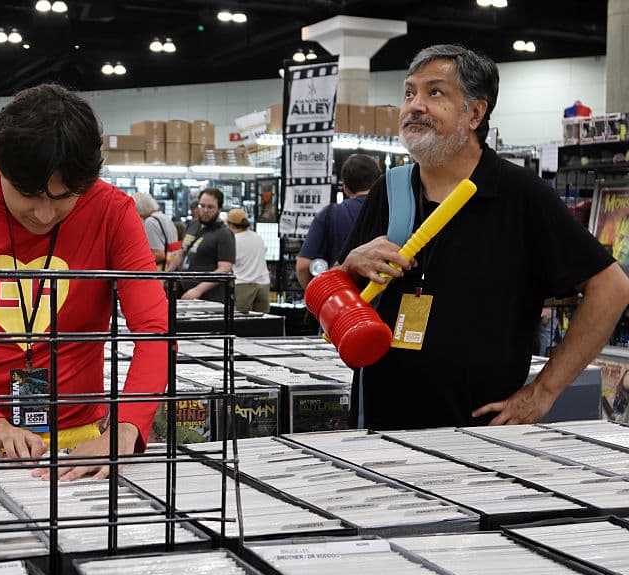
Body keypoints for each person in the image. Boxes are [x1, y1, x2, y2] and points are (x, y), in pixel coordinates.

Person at [338, 43, 629, 430]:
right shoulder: (388, 191)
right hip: (379, 430)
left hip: (479, 444)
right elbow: (336, 302)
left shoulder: (520, 194)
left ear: (475, 113)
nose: (415, 105)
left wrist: (543, 391)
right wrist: (349, 266)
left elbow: (611, 287)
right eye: (409, 93)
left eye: (434, 92)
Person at [0, 83, 168, 482]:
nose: (45, 215)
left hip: (78, 445)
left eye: (64, 198)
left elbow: (154, 330)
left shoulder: (112, 211)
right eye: (28, 195)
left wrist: (125, 428)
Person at [297, 153, 381, 288]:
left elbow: (303, 266)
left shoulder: (329, 214)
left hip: (340, 299)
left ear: (346, 189)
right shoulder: (395, 213)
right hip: (383, 301)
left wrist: (319, 294)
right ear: (379, 183)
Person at [168, 188, 235, 302]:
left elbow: (225, 268)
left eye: (210, 207)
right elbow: (181, 253)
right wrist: (166, 277)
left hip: (210, 299)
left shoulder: (224, 234)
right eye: (202, 206)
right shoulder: (193, 224)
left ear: (219, 209)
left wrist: (199, 289)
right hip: (185, 293)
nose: (205, 210)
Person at [226, 208, 270, 313]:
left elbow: (229, 264)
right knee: (263, 322)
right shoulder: (258, 237)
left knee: (242, 322)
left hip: (243, 284)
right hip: (263, 283)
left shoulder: (233, 240)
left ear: (231, 225)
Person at [133, 192, 179, 270]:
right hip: (170, 267)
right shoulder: (164, 217)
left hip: (160, 271)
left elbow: (160, 254)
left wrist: (137, 262)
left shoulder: (150, 222)